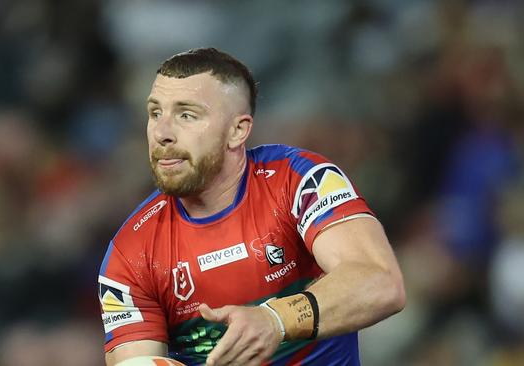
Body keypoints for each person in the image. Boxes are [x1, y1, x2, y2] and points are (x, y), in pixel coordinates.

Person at [98, 48, 405, 366]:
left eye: (186, 115)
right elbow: (136, 360)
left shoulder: (297, 181)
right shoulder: (131, 254)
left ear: (237, 131)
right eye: (155, 113)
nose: (161, 133)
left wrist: (276, 320)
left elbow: (380, 282)